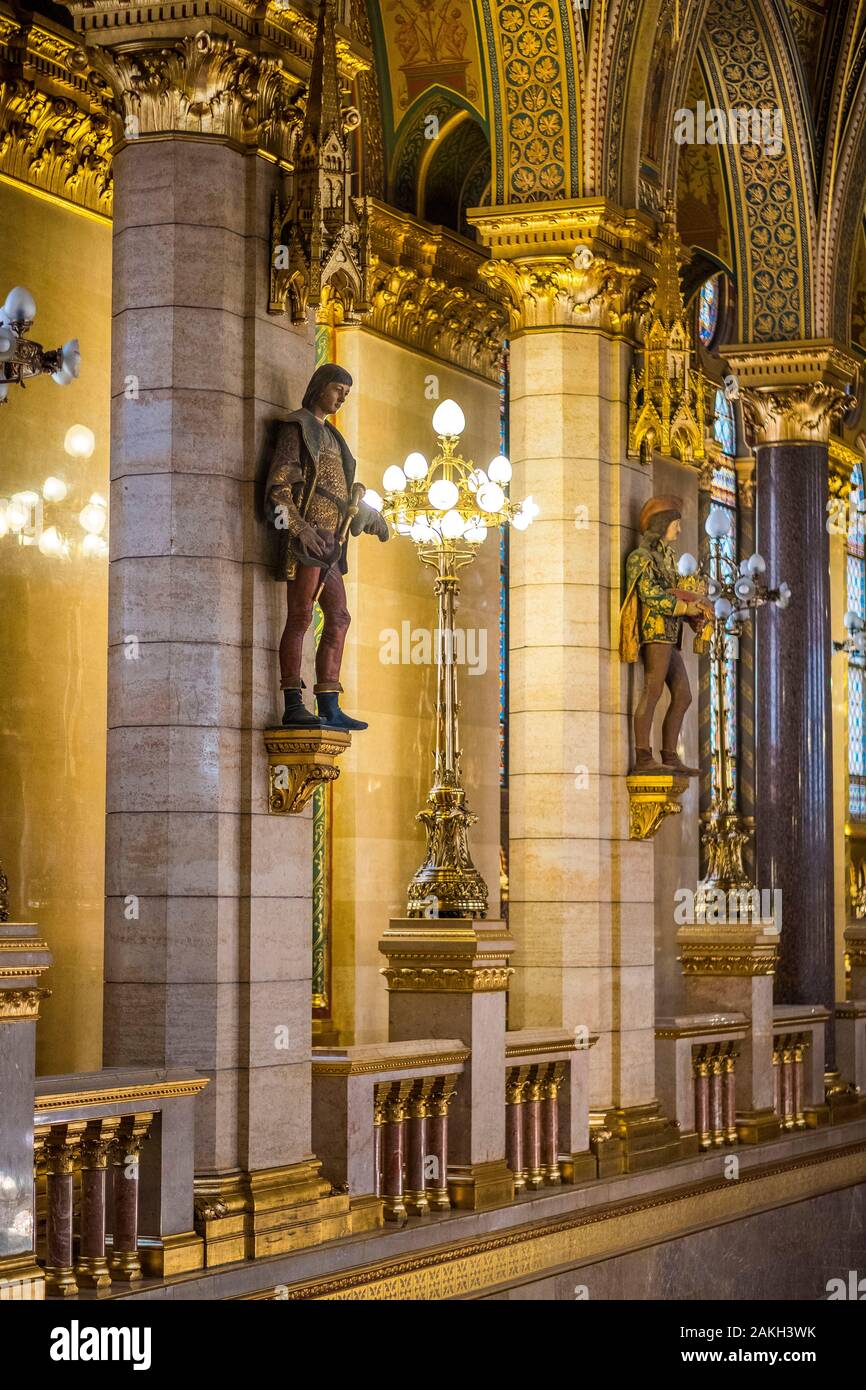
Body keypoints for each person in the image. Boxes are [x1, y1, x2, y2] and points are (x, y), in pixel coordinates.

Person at [264, 363, 388, 730]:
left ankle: (329, 702)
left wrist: (366, 513)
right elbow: (279, 489)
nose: (341, 398)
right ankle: (292, 702)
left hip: (331, 542)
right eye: (337, 390)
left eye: (346, 394)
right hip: (308, 539)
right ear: (318, 387)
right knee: (301, 615)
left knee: (340, 616)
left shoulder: (333, 437)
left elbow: (342, 494)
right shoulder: (298, 426)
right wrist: (299, 529)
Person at [620, 495, 711, 774]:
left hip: (671, 634)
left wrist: (696, 607)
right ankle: (643, 757)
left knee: (683, 695)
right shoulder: (641, 558)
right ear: (662, 524)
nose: (679, 530)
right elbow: (650, 596)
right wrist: (685, 605)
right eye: (675, 523)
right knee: (653, 689)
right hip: (655, 632)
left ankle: (670, 755)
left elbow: (676, 591)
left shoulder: (669, 559)